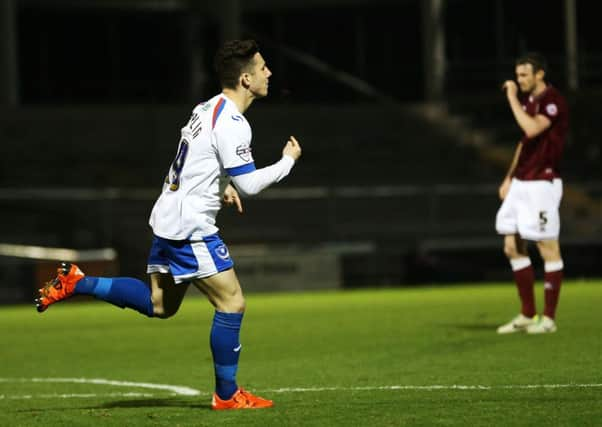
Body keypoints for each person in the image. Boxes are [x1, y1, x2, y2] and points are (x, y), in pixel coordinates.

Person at [35, 39, 302, 409]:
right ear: (245, 79)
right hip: (190, 226)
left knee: (160, 306)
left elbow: (198, 160)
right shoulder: (233, 123)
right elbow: (251, 184)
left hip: (168, 216)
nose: (268, 73)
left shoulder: (206, 108)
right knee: (232, 303)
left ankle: (80, 281)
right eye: (262, 68)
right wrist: (288, 161)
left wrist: (221, 187)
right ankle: (227, 395)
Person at [495, 52, 568, 334]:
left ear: (540, 74)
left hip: (542, 183)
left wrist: (511, 97)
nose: (518, 80)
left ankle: (548, 319)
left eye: (524, 75)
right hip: (522, 182)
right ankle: (527, 313)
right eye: (517, 75)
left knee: (547, 248)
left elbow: (531, 128)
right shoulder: (530, 101)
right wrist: (509, 178)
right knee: (511, 246)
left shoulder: (552, 101)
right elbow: (524, 143)